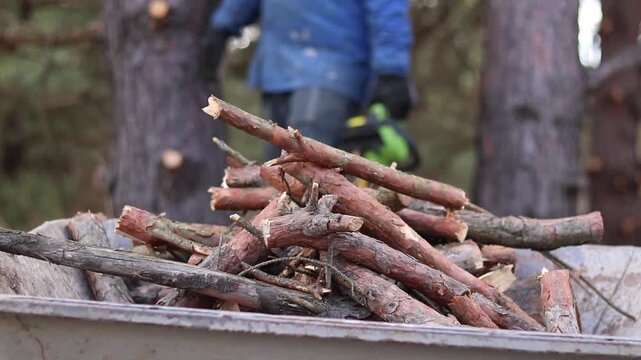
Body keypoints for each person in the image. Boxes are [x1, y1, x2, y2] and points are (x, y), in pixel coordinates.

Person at [206, 0, 415, 160]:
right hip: (277, 71)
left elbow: (387, 7)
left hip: (332, 70)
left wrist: (391, 69)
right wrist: (222, 26)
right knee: (277, 172)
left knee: (308, 168)